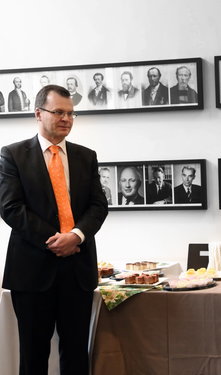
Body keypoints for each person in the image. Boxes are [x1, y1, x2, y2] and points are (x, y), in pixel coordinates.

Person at [0, 84, 108, 374]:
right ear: (38, 113)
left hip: (77, 270)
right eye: (58, 112)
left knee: (76, 355)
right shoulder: (13, 155)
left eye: (71, 113)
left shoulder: (86, 156)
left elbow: (98, 206)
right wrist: (55, 241)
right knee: (34, 356)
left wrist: (76, 236)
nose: (66, 119)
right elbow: (11, 208)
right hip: (32, 272)